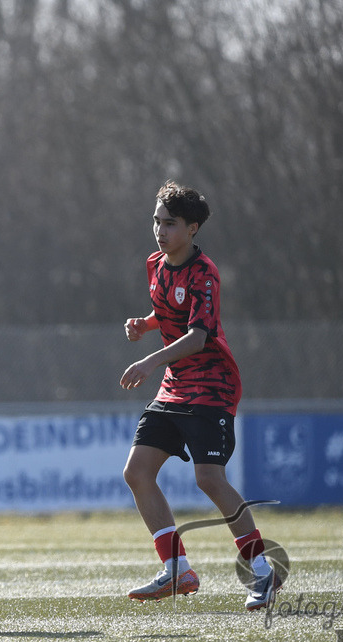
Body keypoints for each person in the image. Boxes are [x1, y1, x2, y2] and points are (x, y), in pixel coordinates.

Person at [120, 180, 281, 611]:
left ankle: (262, 572)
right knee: (137, 473)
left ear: (192, 229)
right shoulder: (155, 264)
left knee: (209, 478)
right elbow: (169, 310)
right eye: (156, 221)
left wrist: (149, 360)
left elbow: (198, 335)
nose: (160, 230)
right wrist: (145, 324)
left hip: (211, 384)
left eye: (169, 224)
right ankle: (177, 570)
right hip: (175, 386)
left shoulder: (205, 273)